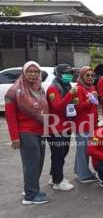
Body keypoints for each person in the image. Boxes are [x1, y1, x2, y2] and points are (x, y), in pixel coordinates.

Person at [5, 61, 50, 205]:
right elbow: (10, 117)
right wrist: (14, 137)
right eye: (30, 71)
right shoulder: (14, 91)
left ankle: (31, 188)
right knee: (31, 163)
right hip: (26, 132)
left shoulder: (39, 88)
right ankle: (30, 196)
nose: (33, 74)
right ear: (24, 72)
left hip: (40, 131)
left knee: (39, 161)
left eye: (36, 71)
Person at [46, 64, 77, 191]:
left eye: (70, 73)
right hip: (56, 127)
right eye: (66, 73)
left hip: (65, 125)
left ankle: (54, 176)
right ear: (58, 74)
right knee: (58, 154)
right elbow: (58, 106)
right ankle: (58, 182)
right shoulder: (53, 88)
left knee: (62, 153)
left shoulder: (66, 85)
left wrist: (73, 101)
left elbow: (67, 104)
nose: (69, 75)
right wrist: (70, 95)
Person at [74, 66, 100, 184]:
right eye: (87, 75)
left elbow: (94, 108)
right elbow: (76, 108)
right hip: (82, 124)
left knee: (83, 149)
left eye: (92, 75)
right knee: (83, 150)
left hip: (91, 124)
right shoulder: (78, 89)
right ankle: (83, 175)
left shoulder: (91, 88)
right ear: (81, 76)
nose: (90, 78)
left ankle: (79, 170)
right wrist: (90, 100)